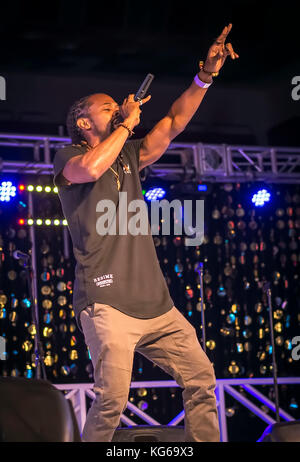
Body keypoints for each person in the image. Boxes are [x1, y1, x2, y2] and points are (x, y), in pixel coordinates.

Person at [53, 24, 238, 442]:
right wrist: (125, 124)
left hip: (157, 306)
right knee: (112, 401)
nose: (117, 109)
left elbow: (174, 121)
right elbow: (93, 168)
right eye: (107, 108)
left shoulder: (131, 154)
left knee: (201, 379)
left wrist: (205, 76)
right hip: (108, 304)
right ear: (84, 121)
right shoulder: (67, 157)